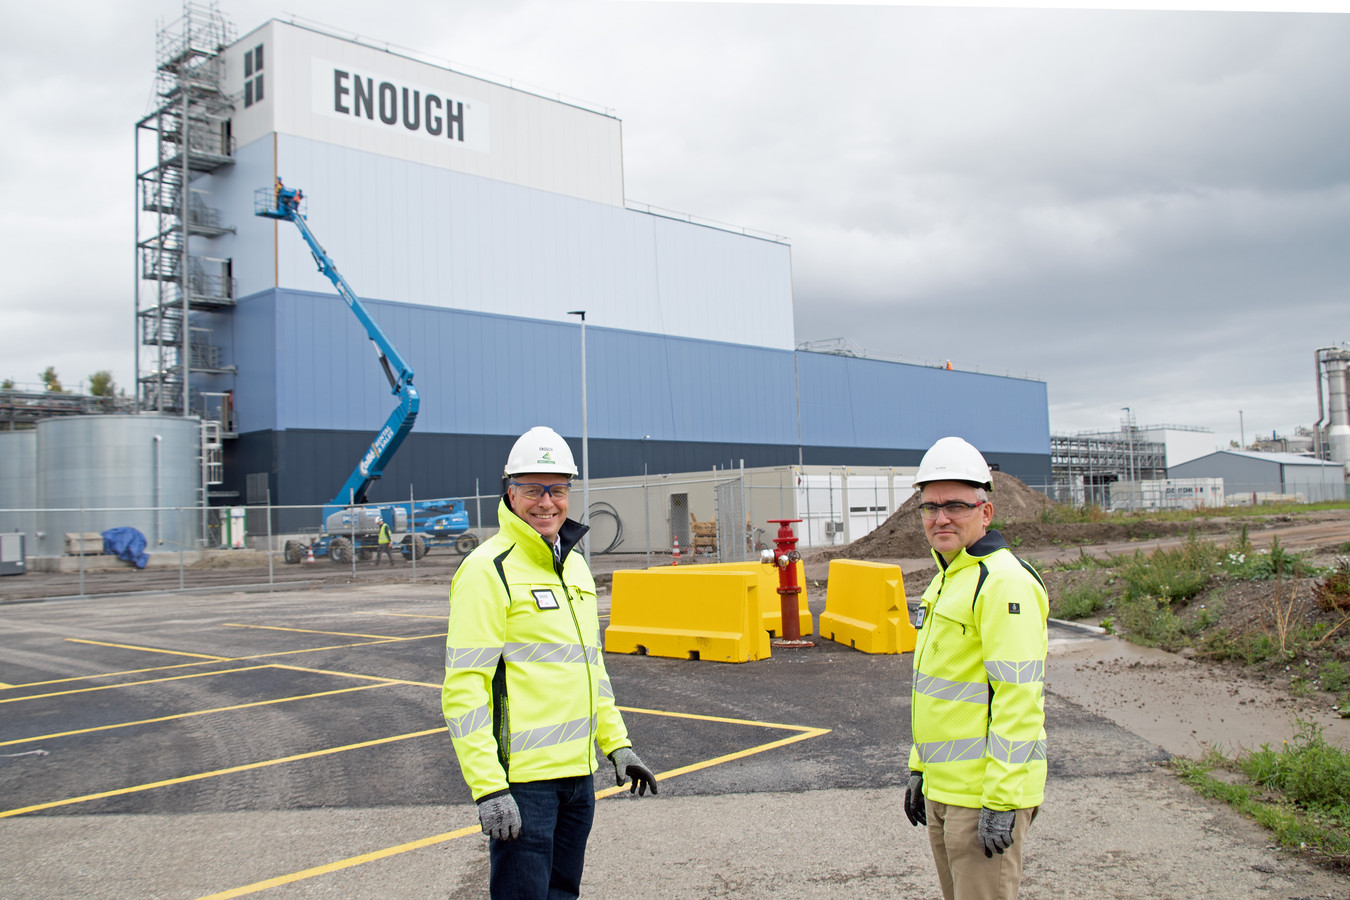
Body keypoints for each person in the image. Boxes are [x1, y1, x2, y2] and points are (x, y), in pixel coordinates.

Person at [442, 425, 658, 899]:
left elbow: (590, 671)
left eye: (557, 490)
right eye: (533, 489)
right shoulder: (487, 569)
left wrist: (617, 745)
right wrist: (488, 788)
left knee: (564, 893)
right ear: (510, 493)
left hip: (578, 779)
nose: (547, 502)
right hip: (523, 784)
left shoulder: (575, 565)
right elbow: (464, 689)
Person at [903, 436, 1049, 900]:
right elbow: (942, 692)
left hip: (984, 795)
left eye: (955, 506)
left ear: (985, 513)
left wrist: (1002, 800)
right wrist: (920, 768)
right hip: (947, 790)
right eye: (929, 507)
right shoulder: (948, 578)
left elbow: (1018, 697)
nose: (940, 517)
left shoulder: (1003, 582)